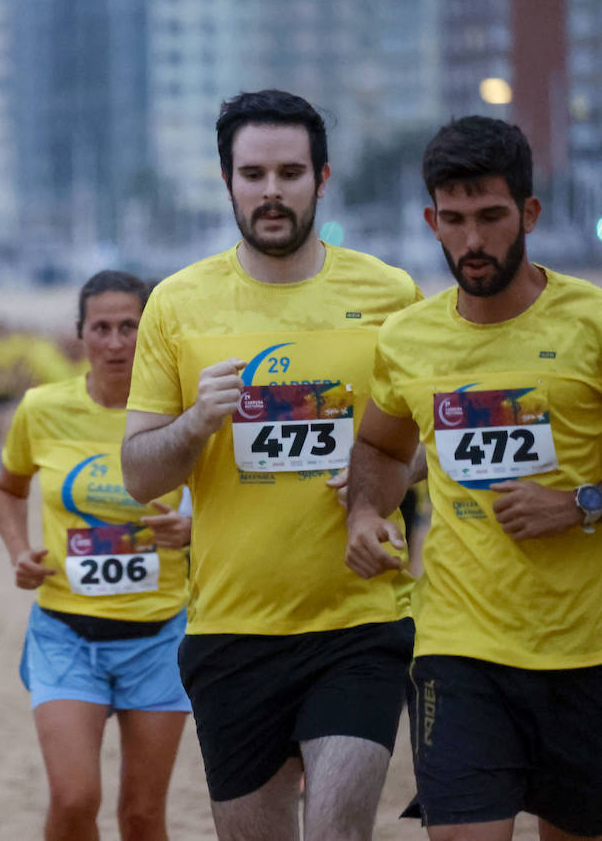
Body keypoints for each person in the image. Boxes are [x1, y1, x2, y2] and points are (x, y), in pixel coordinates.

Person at [120, 89, 421, 840]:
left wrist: (376, 481)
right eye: (253, 174)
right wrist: (197, 422)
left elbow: (427, 446)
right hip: (232, 630)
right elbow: (139, 475)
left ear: (322, 178)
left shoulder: (389, 297)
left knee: (337, 830)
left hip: (360, 620)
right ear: (227, 182)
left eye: (290, 172)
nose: (272, 191)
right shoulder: (178, 305)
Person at [345, 115, 602, 840]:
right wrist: (366, 515)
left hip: (587, 651)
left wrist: (581, 504)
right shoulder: (407, 339)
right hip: (459, 650)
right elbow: (380, 448)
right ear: (430, 219)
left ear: (529, 211)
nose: (473, 240)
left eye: (491, 217)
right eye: (453, 220)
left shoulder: (592, 323)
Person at [0, 270, 192, 841]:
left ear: (150, 332)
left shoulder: (182, 411)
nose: (115, 342)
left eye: (130, 327)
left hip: (159, 637)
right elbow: (7, 489)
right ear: (79, 335)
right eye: (100, 328)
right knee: (76, 798)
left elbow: (226, 503)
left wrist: (192, 528)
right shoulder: (42, 408)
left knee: (143, 815)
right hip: (64, 635)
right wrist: (18, 552)